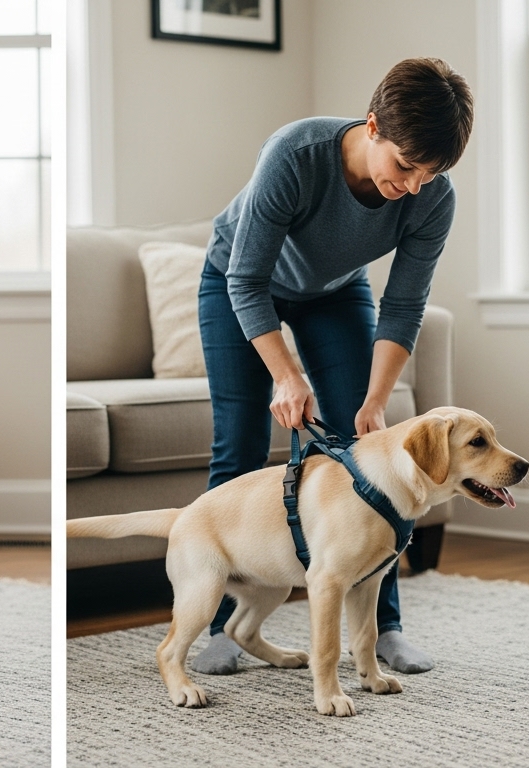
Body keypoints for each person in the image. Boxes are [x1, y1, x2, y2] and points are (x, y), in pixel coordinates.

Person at [190, 58, 473, 676]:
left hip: (335, 293)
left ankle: (384, 628)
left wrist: (375, 401)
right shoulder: (297, 153)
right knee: (237, 444)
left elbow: (403, 304)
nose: (416, 186)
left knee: (373, 459)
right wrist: (287, 376)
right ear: (372, 127)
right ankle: (221, 629)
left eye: (432, 173)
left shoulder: (432, 199)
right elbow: (246, 277)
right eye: (406, 166)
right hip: (236, 282)